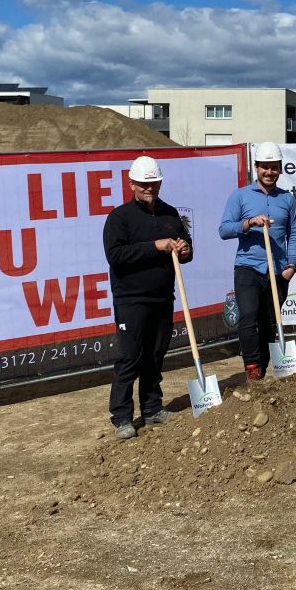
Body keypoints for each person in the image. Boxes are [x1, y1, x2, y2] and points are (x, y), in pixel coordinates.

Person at [103, 155, 192, 440]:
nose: (149, 188)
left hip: (162, 296)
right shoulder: (120, 218)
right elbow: (116, 256)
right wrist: (154, 246)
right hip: (131, 298)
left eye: (154, 183)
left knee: (155, 354)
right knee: (130, 357)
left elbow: (185, 248)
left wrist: (184, 250)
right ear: (131, 184)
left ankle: (152, 408)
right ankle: (121, 416)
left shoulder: (170, 214)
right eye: (143, 184)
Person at [218, 142, 296, 380]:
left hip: (277, 271)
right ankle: (252, 366)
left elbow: (293, 233)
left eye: (274, 167)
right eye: (265, 167)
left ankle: (265, 369)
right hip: (248, 267)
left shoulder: (286, 199)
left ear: (280, 169)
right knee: (248, 316)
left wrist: (291, 265)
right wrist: (248, 223)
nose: (269, 172)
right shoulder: (240, 196)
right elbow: (224, 230)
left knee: (268, 322)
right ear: (256, 168)